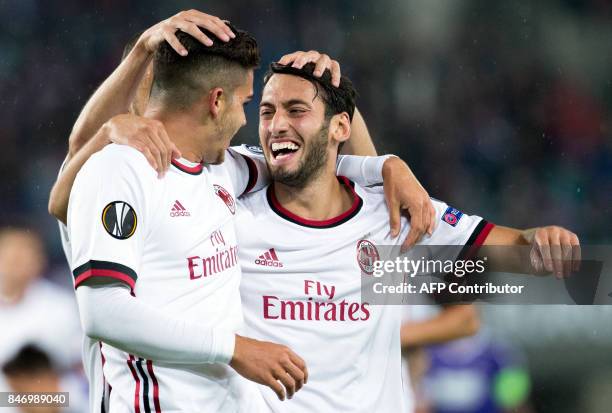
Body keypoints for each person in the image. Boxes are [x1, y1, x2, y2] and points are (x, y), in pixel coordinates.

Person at [52, 13, 434, 412]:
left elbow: (311, 164)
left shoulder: (224, 170)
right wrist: (237, 350)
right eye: (249, 104)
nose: (249, 121)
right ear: (217, 101)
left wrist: (385, 166)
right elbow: (102, 311)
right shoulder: (119, 169)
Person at [231, 62, 580, 412]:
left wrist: (543, 240)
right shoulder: (231, 207)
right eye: (266, 111)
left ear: (340, 126)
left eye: (296, 111)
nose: (277, 124)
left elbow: (517, 251)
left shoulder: (394, 211)